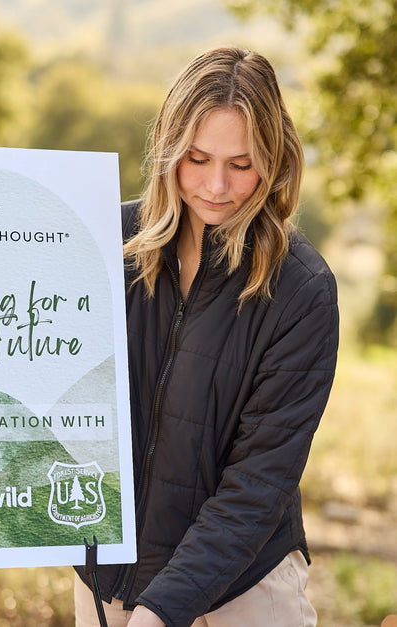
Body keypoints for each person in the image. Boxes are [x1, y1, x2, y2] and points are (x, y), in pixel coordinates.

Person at [74, 46, 339, 627]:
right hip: (109, 582)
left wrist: (161, 610)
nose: (217, 185)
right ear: (168, 150)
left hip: (243, 590)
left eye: (241, 165)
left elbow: (259, 482)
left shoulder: (302, 289)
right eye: (197, 159)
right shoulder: (104, 240)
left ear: (274, 161)